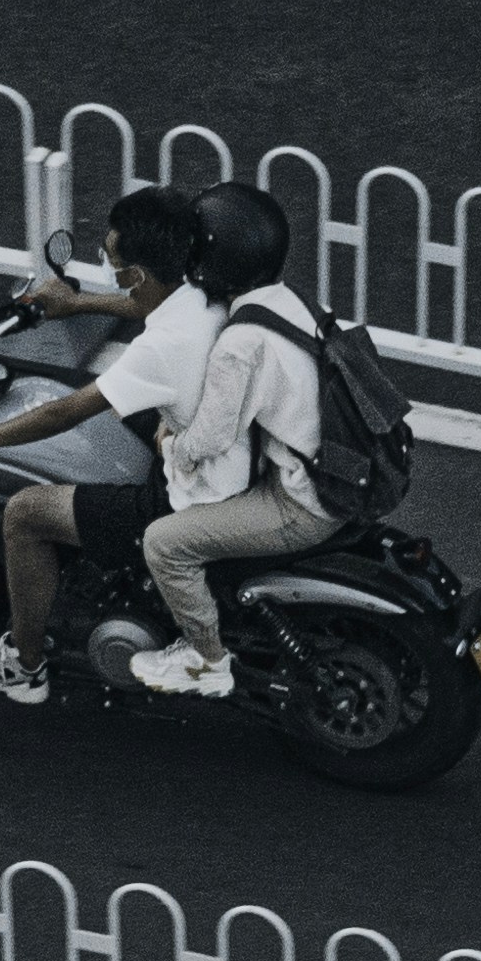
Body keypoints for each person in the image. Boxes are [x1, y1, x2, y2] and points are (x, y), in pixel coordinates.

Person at [0, 185, 217, 705]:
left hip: (181, 499)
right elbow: (147, 301)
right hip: (215, 463)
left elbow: (62, 412)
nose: (111, 270)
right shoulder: (202, 292)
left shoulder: (161, 348)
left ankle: (24, 663)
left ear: (141, 273)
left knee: (26, 514)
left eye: (114, 262)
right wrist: (78, 301)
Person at [130, 184, 341, 697]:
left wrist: (168, 445)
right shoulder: (287, 301)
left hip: (299, 503)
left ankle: (206, 660)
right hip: (331, 471)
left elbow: (211, 437)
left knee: (163, 544)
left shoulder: (238, 344)